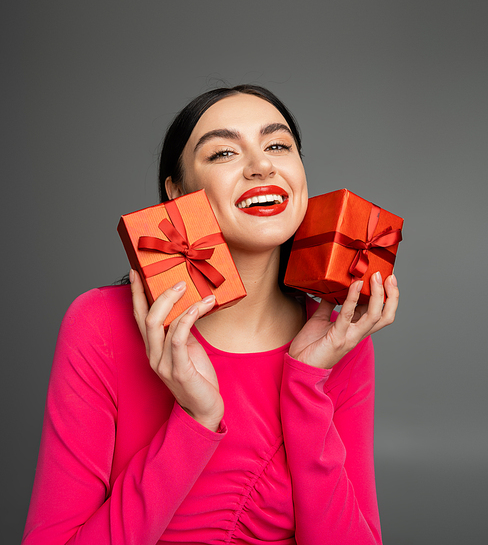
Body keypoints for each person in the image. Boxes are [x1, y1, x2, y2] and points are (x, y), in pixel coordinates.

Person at [22, 84, 399, 545]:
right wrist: (195, 420)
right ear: (178, 191)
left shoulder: (340, 341)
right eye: (223, 153)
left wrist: (306, 384)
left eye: (278, 145)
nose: (262, 166)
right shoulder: (100, 324)